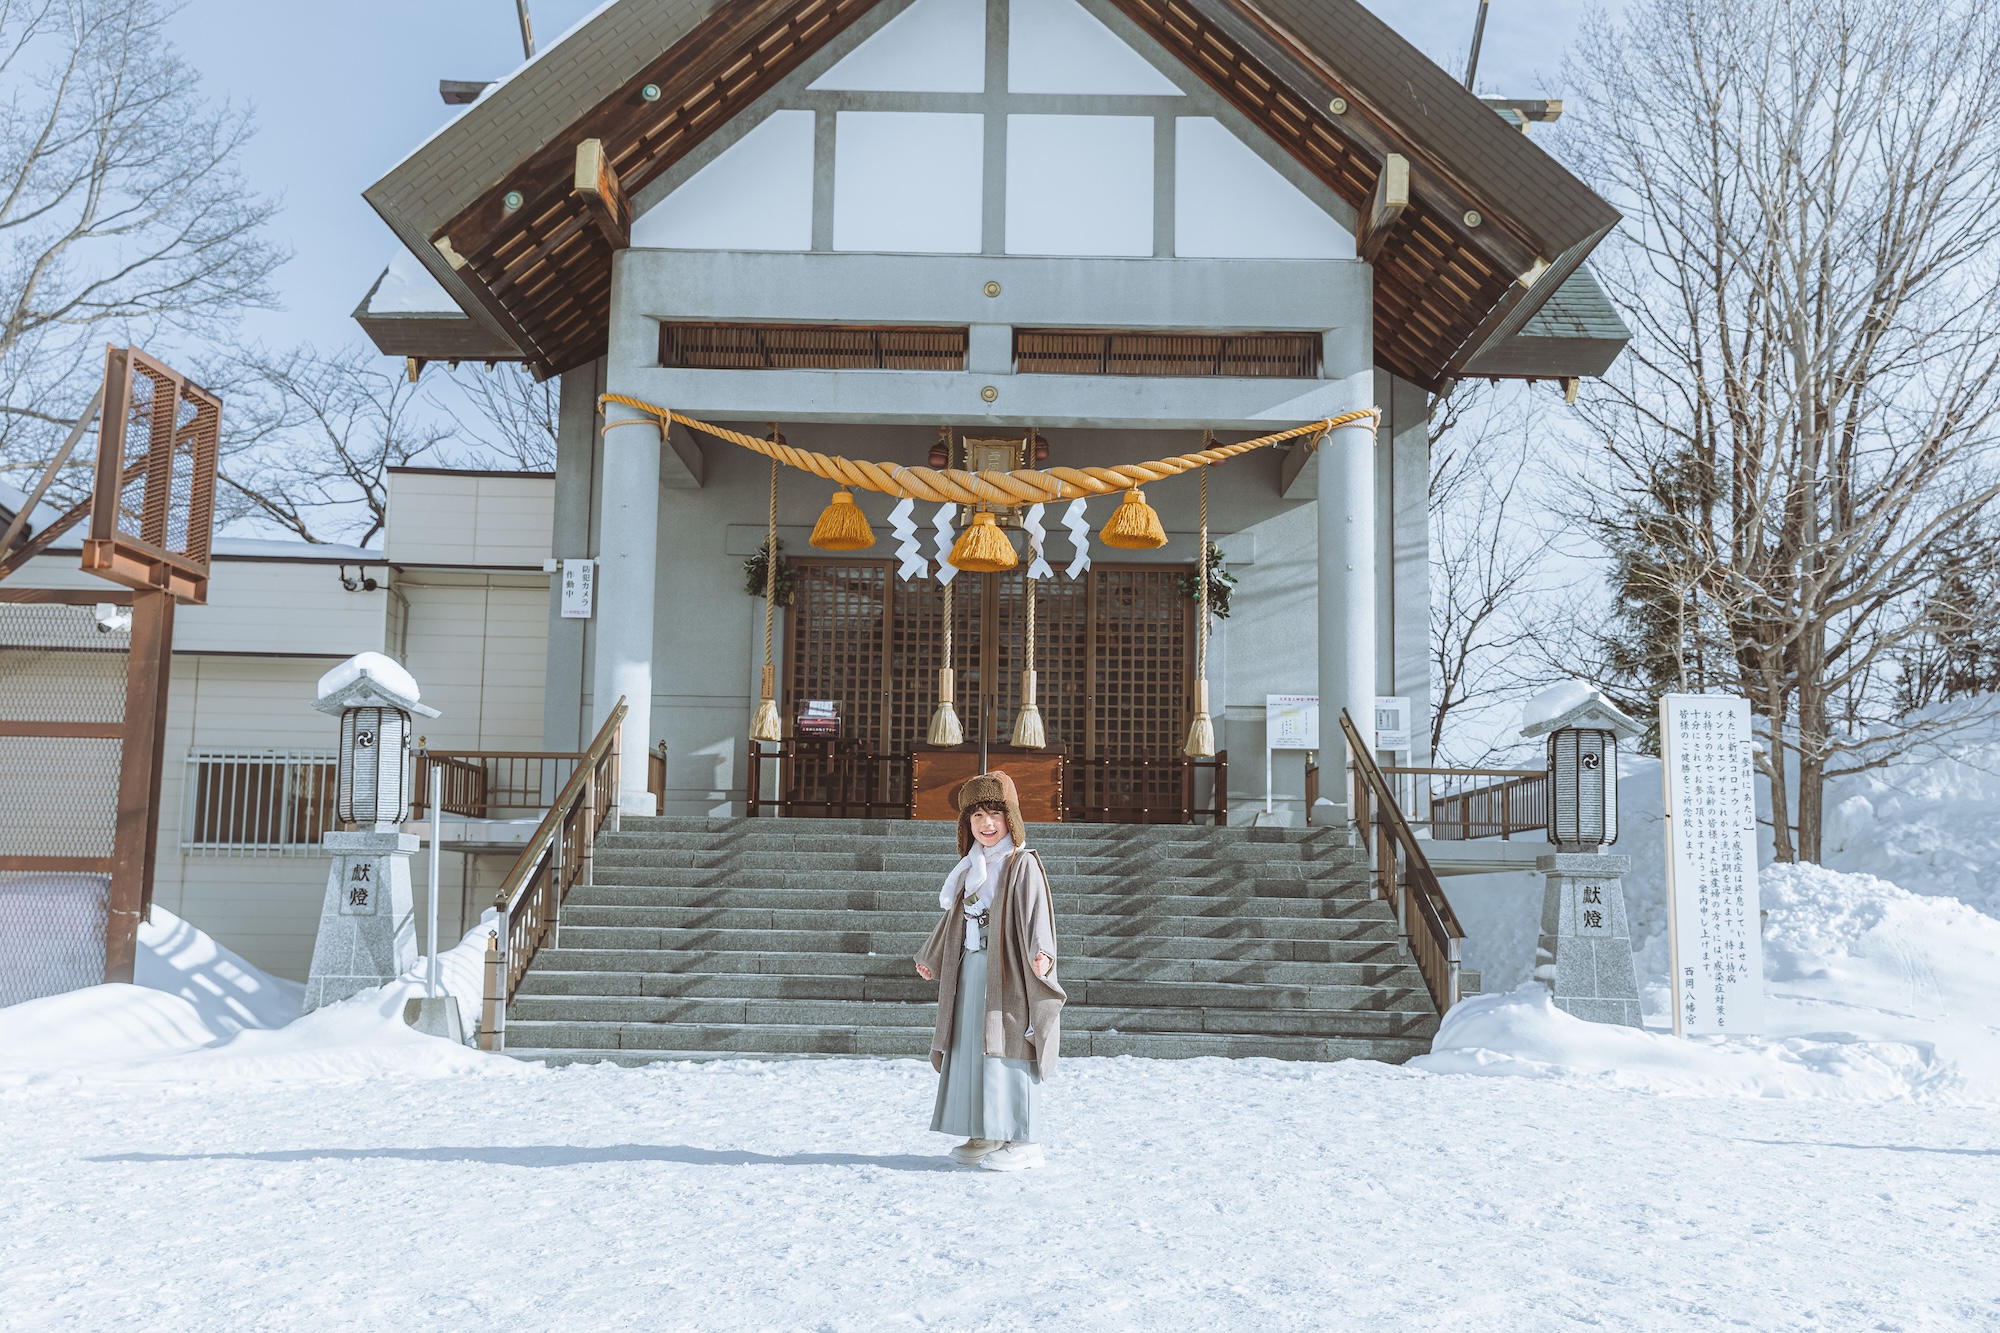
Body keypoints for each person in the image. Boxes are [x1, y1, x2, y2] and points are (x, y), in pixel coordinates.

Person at [914, 771, 1064, 1171]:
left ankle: (1023, 1138)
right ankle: (986, 1130)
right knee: (969, 1048)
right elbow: (953, 920)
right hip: (971, 969)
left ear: (1010, 819)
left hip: (1009, 970)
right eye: (977, 814)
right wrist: (931, 955)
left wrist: (1043, 953)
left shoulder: (1022, 864)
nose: (987, 823)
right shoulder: (970, 868)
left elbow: (1038, 914)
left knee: (1009, 1045)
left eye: (995, 813)